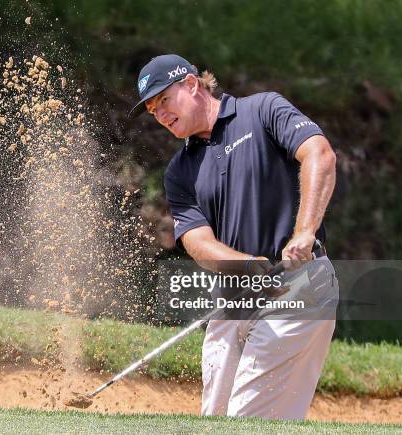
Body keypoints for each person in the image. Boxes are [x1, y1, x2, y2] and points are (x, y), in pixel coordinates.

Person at [129, 54, 338, 419]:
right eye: (152, 110)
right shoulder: (180, 171)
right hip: (233, 297)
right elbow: (196, 241)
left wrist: (303, 233)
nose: (160, 114)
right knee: (217, 417)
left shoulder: (262, 111)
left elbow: (319, 155)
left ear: (192, 84)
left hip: (297, 285)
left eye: (164, 100)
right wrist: (245, 265)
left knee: (249, 419)